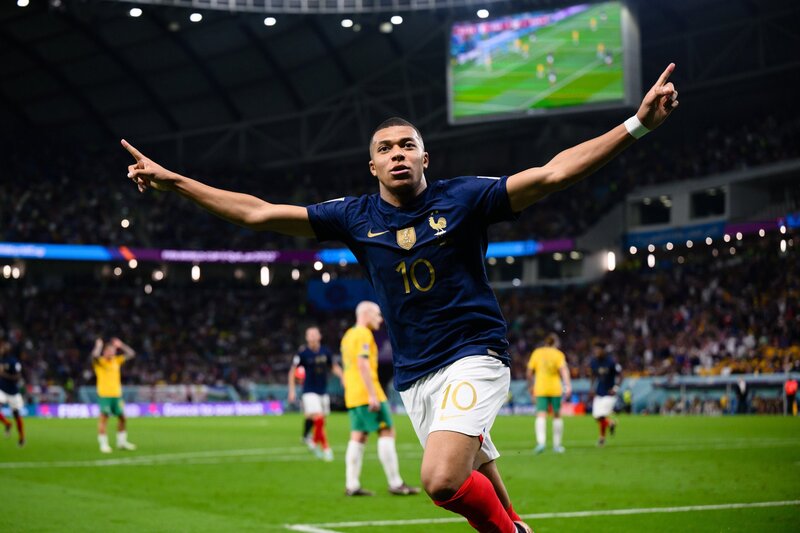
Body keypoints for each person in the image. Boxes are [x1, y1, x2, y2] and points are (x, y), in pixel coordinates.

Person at [122, 63, 678, 533]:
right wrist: (177, 183)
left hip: (474, 353)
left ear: (424, 158)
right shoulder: (354, 217)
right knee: (480, 480)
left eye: (407, 145)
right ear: (372, 166)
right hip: (415, 376)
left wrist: (636, 125)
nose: (397, 154)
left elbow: (552, 174)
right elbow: (258, 213)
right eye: (385, 148)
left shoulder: (464, 198)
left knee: (440, 480)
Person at [339, 301, 420, 496]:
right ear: (366, 314)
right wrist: (372, 395)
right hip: (367, 392)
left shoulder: (348, 335)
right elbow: (363, 364)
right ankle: (395, 483)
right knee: (387, 431)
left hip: (353, 393)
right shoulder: (363, 334)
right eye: (377, 314)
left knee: (358, 435)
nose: (380, 319)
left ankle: (352, 485)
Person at [287, 326, 342, 461]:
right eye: (309, 335)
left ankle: (310, 440)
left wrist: (343, 377)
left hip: (323, 390)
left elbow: (334, 366)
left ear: (319, 336)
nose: (312, 337)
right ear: (306, 338)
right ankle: (326, 448)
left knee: (320, 421)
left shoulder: (325, 351)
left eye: (314, 334)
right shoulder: (303, 354)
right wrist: (292, 390)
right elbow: (292, 372)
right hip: (309, 390)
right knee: (318, 417)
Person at [526, 333, 572, 454]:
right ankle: (557, 445)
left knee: (541, 414)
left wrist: (530, 386)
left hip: (540, 388)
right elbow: (564, 371)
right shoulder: (558, 354)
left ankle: (541, 443)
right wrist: (568, 386)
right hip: (555, 388)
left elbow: (529, 372)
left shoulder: (537, 353)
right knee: (557, 415)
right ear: (556, 343)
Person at [92, 337, 137, 453]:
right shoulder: (100, 362)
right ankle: (103, 445)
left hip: (117, 395)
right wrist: (98, 346)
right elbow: (94, 356)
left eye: (113, 351)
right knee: (104, 419)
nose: (111, 353)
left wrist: (121, 345)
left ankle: (121, 442)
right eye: (109, 351)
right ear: (104, 352)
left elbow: (131, 354)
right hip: (105, 396)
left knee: (123, 418)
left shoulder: (116, 361)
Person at [589, 342, 622, 447]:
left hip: (609, 393)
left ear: (603, 350)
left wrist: (615, 388)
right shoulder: (594, 362)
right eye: (595, 350)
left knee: (601, 415)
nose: (596, 352)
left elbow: (621, 375)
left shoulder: (611, 361)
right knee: (597, 417)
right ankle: (610, 423)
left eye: (598, 350)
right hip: (599, 391)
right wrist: (592, 388)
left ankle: (602, 438)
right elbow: (593, 375)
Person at [0, 340, 26, 447]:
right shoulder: (1, 360)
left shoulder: (13, 361)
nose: (1, 349)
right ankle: (7, 423)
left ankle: (22, 438)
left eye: (2, 348)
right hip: (2, 389)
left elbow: (18, 377)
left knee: (16, 415)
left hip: (13, 392)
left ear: (7, 349)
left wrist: (3, 374)